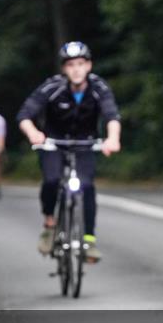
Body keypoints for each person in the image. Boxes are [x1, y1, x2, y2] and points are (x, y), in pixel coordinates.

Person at [17, 41, 122, 262]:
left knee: (87, 186)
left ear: (89, 66)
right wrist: (33, 133)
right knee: (52, 181)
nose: (76, 69)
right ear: (64, 68)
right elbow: (25, 114)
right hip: (53, 144)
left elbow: (111, 115)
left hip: (85, 145)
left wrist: (112, 138)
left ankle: (89, 240)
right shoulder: (52, 87)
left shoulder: (99, 88)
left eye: (81, 64)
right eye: (71, 64)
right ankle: (49, 223)